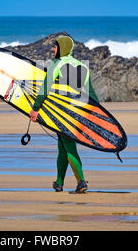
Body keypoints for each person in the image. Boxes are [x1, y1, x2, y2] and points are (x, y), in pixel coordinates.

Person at [29, 34, 99, 193]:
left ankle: (81, 181)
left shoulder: (57, 64)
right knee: (62, 146)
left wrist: (35, 108)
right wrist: (95, 116)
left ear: (62, 48)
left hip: (62, 114)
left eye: (55, 46)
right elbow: (92, 95)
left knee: (69, 147)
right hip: (78, 112)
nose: (53, 49)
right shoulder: (82, 66)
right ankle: (59, 182)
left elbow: (44, 88)